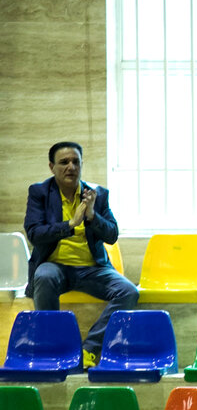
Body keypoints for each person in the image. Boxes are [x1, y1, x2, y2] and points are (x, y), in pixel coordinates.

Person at [24, 141, 139, 368]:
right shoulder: (40, 193)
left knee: (129, 292)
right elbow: (34, 233)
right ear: (51, 167)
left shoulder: (97, 194)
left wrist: (93, 216)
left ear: (82, 165)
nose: (71, 167)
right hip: (55, 266)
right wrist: (71, 223)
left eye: (76, 162)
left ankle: (89, 349)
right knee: (44, 276)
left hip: (93, 269)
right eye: (64, 162)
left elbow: (112, 235)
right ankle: (54, 347)